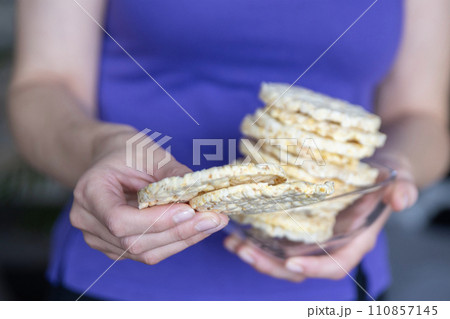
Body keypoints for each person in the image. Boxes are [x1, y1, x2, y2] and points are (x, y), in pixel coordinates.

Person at [7, 0, 449, 300]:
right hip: (116, 284)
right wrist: (96, 148)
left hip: (335, 287)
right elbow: (44, 84)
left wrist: (393, 171)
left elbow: (421, 116)